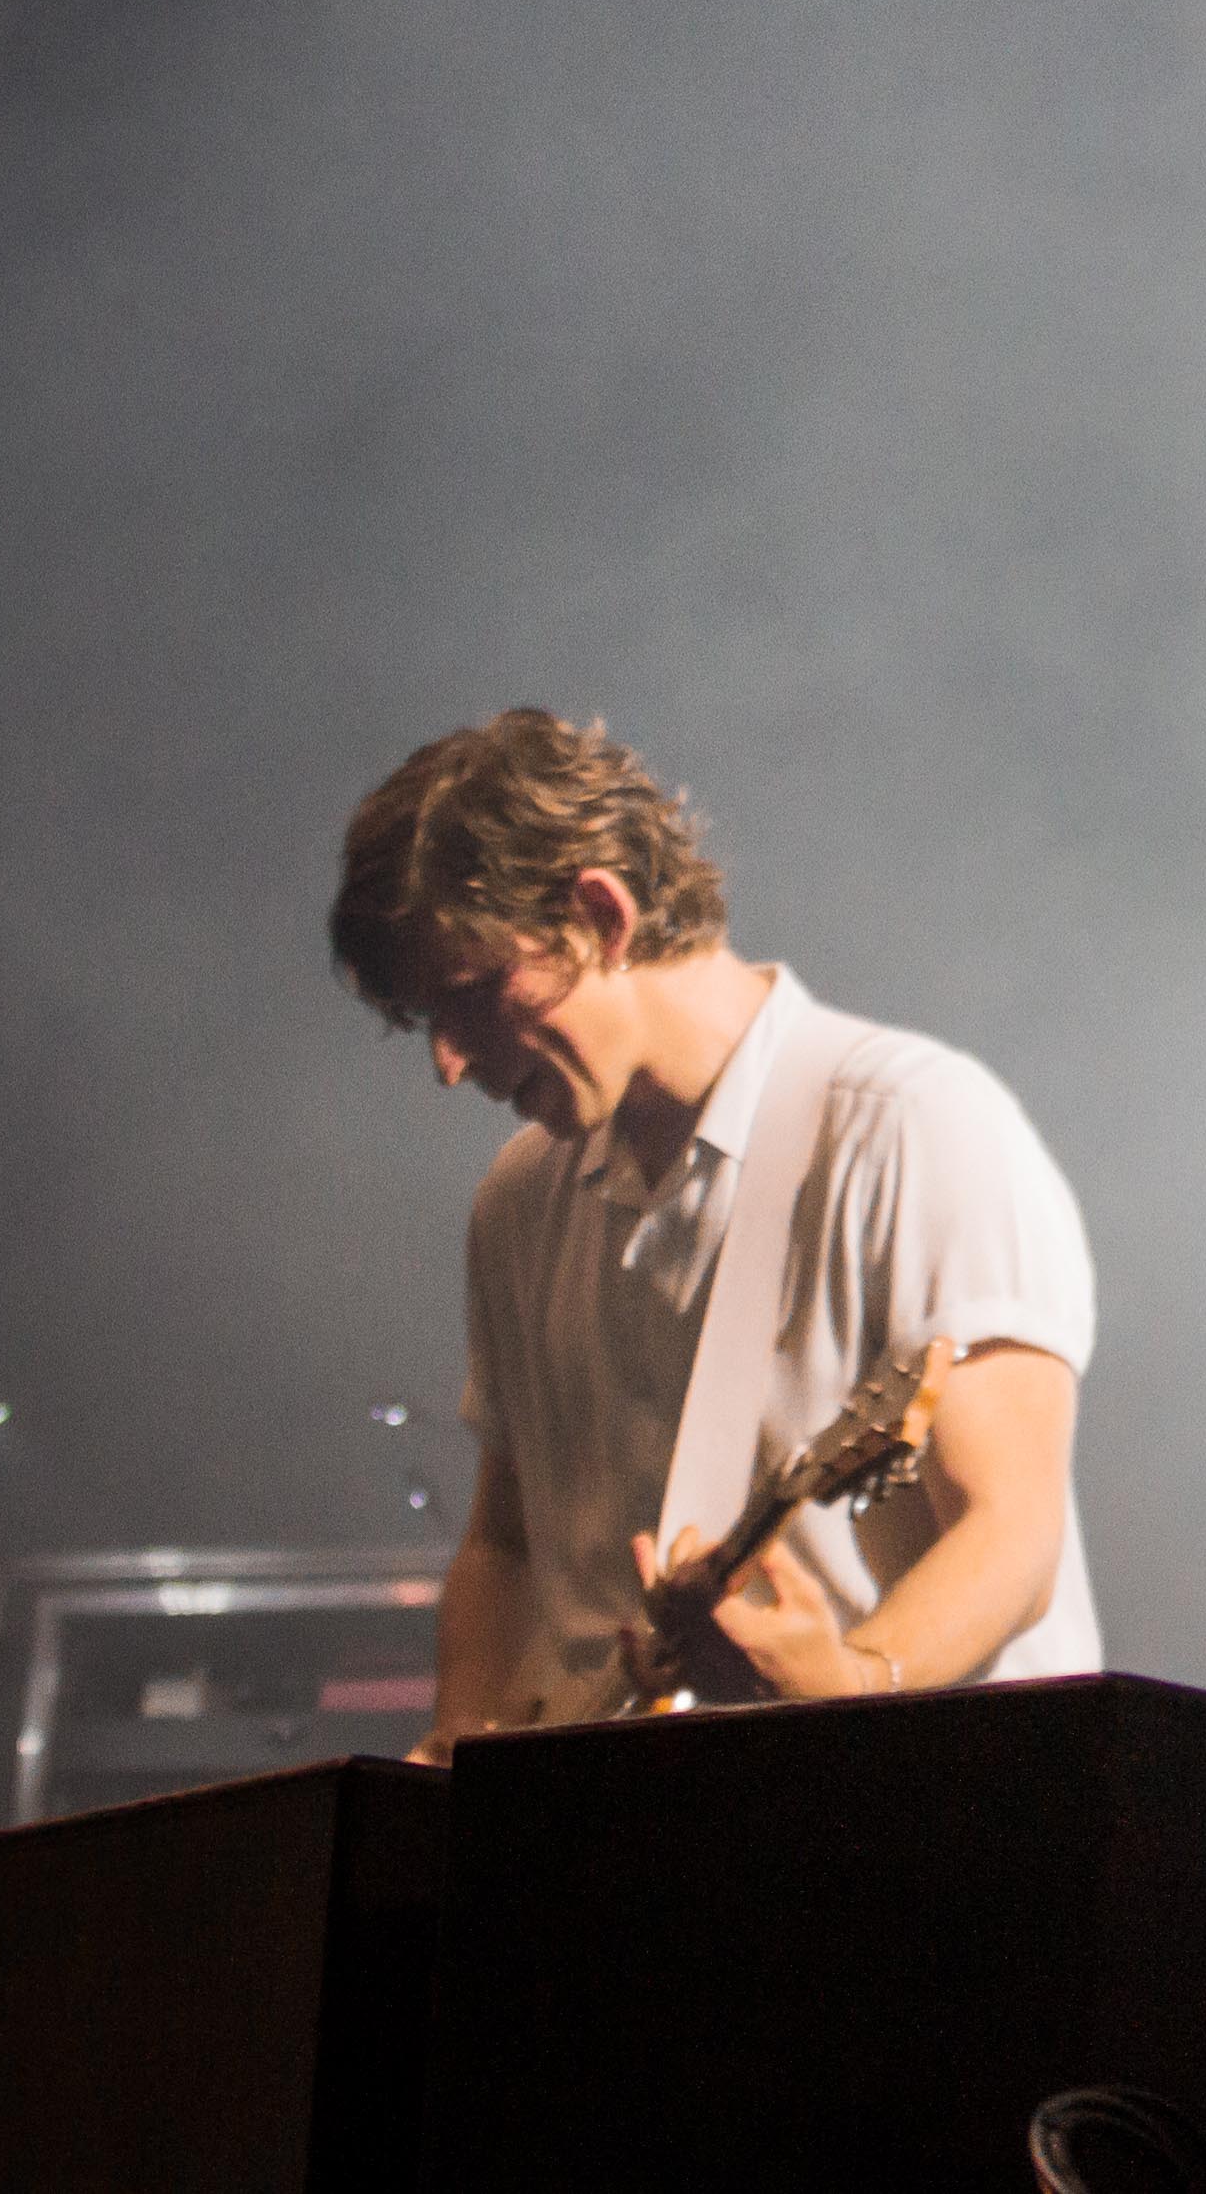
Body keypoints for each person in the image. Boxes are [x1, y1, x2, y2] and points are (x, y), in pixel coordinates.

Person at [333, 708, 1100, 1754]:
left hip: (927, 1829)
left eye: (470, 996)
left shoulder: (911, 1122)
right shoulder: (517, 1199)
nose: (448, 1063)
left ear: (599, 912)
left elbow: (1010, 1528)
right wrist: (454, 1748)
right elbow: (506, 1544)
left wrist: (853, 1679)